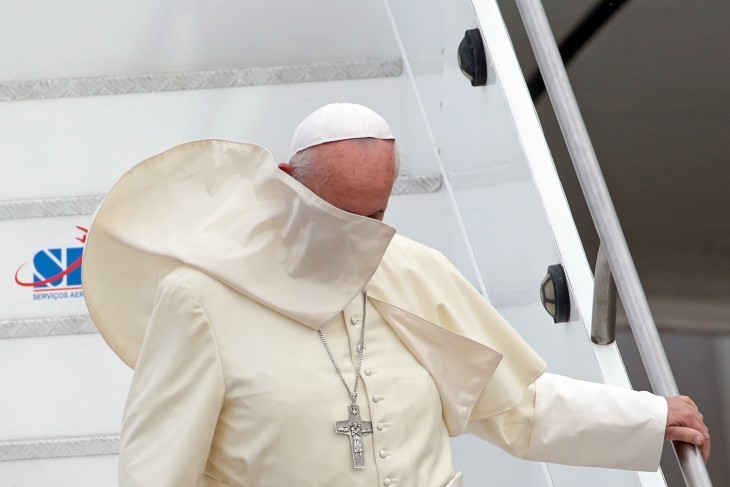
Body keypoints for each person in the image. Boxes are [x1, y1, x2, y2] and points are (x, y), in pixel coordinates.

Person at [82, 103, 709, 487]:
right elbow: (154, 472)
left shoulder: (414, 269)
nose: (356, 235)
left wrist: (648, 416)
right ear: (284, 183)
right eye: (335, 212)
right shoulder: (199, 296)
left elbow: (513, 405)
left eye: (372, 214)